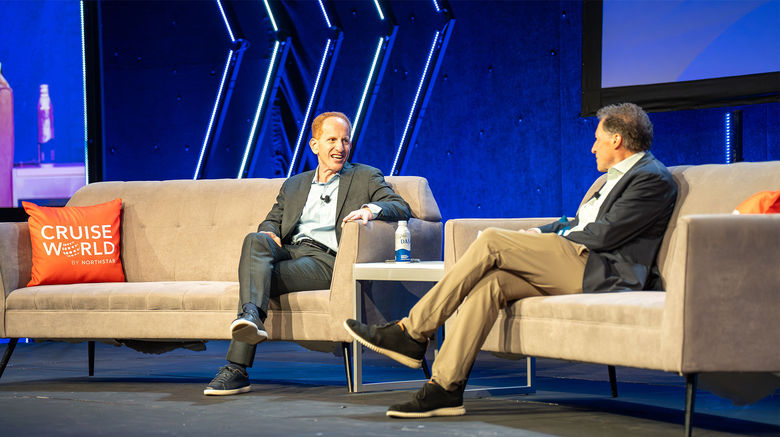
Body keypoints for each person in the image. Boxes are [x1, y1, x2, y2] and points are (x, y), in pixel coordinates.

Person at [344, 102, 678, 418]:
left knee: (491, 240)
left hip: (602, 270)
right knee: (491, 283)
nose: (593, 148)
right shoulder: (614, 178)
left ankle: (413, 331)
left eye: (598, 139)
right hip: (580, 259)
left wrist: (547, 240)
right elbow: (578, 222)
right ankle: (445, 387)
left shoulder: (651, 177)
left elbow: (605, 235)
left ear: (617, 139)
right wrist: (539, 231)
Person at [205, 111, 411, 395]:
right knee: (255, 240)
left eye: (345, 141)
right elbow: (272, 219)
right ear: (315, 145)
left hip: (325, 261)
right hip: (291, 251)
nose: (340, 148)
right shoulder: (295, 184)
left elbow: (400, 207)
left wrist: (369, 210)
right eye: (332, 140)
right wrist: (269, 232)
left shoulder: (364, 176)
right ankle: (251, 317)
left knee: (257, 279)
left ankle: (236, 368)